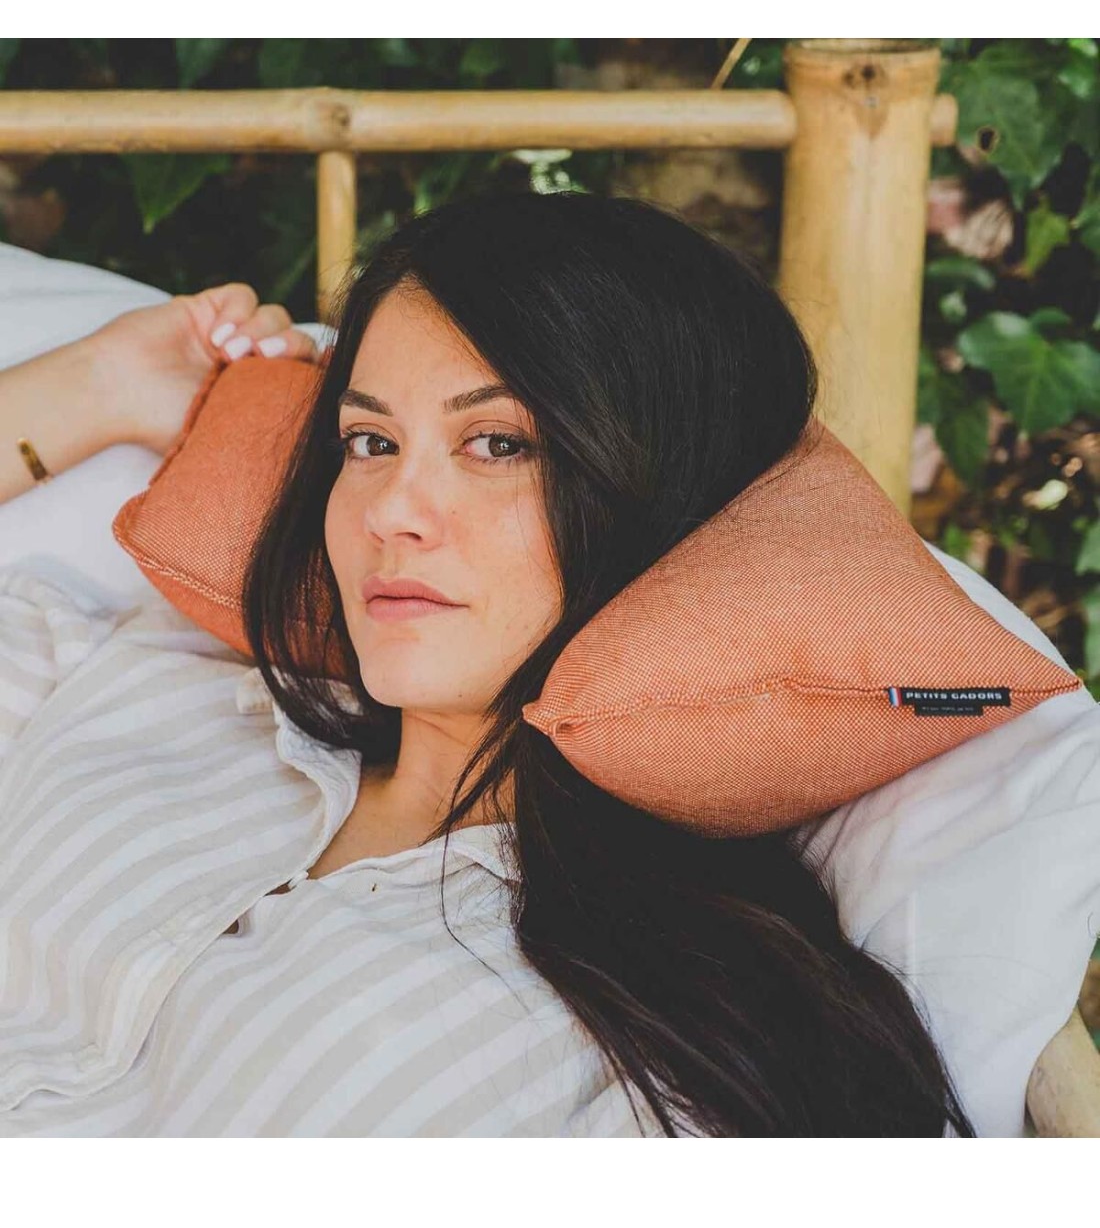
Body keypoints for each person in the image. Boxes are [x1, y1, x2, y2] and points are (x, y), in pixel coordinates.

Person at [0, 190, 975, 1137]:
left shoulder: (658, 1043)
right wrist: (102, 386)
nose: (390, 510)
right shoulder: (164, 677)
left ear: (661, 491)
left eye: (497, 444)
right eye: (369, 440)